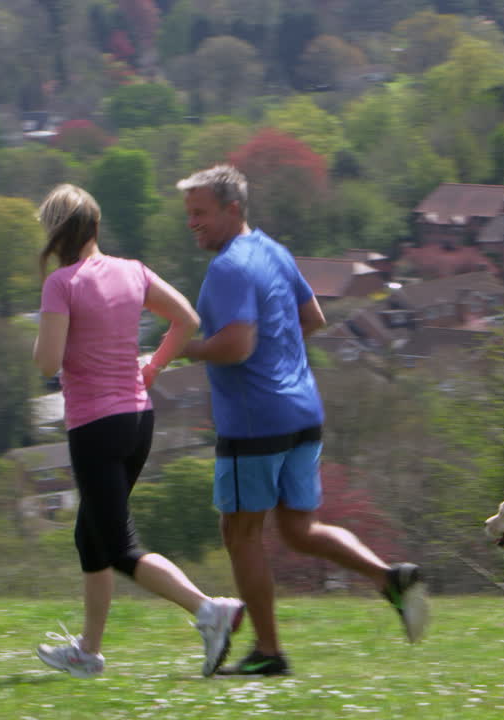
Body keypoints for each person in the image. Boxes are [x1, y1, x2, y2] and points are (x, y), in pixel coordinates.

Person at [175, 165, 429, 676]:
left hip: (254, 422)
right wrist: (279, 363)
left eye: (200, 214)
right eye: (189, 215)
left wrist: (185, 347)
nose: (193, 224)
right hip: (301, 410)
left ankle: (268, 652)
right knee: (298, 528)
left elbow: (237, 344)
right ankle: (388, 578)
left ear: (233, 209)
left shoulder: (228, 268)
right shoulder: (273, 251)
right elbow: (312, 317)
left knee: (239, 534)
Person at [31, 183, 245, 678]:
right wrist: (153, 369)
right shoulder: (133, 271)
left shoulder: (61, 284)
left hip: (95, 427)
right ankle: (88, 650)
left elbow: (47, 361)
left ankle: (210, 611)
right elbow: (186, 319)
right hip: (137, 419)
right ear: (96, 226)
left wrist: (44, 338)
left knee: (120, 546)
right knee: (92, 536)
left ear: (57, 233)